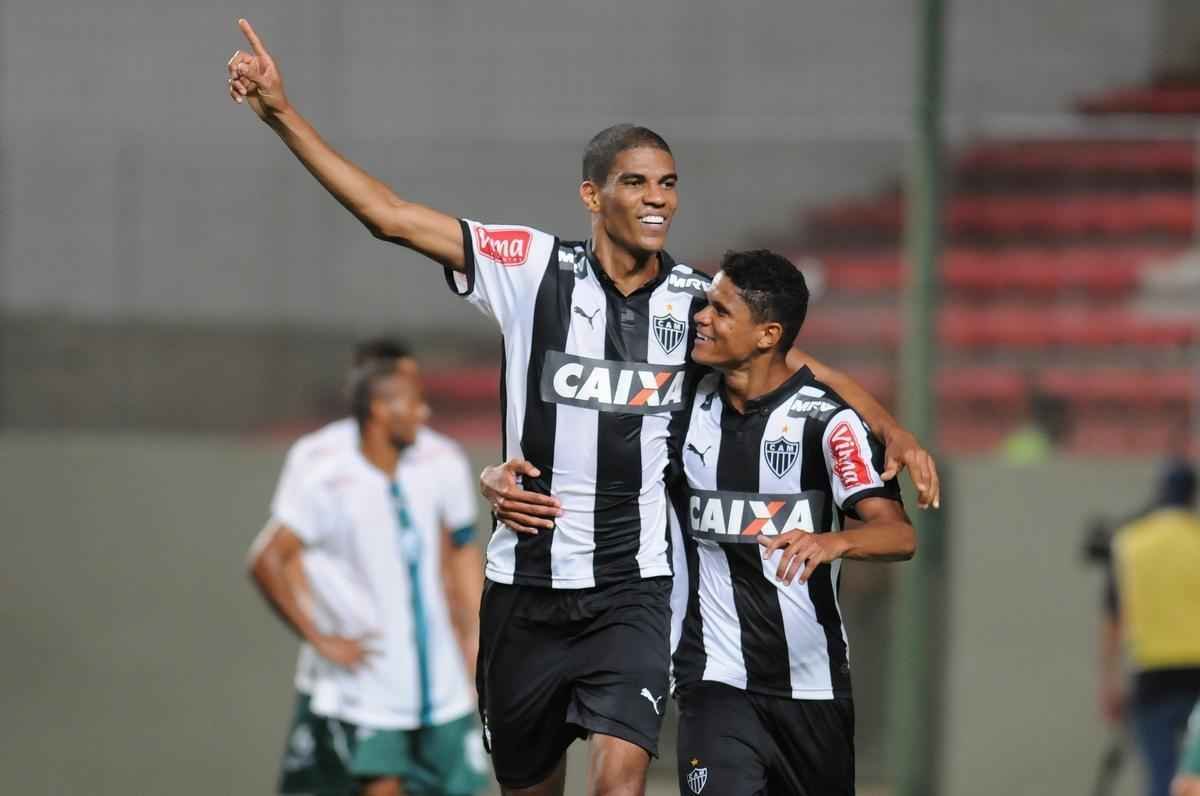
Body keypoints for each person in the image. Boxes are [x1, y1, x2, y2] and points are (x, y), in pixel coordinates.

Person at [225, 21, 939, 795]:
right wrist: (281, 115)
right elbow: (391, 216)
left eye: (668, 182)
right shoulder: (530, 269)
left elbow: (799, 364)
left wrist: (893, 430)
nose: (658, 197)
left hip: (633, 592)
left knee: (619, 781)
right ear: (593, 195)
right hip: (524, 592)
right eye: (636, 182)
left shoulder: (696, 305)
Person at [666, 250, 914, 794]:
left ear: (766, 334)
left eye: (721, 311)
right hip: (713, 679)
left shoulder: (828, 423)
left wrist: (835, 541)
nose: (701, 318)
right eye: (705, 305)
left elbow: (898, 534)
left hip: (813, 688)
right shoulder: (682, 403)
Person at [248, 347, 489, 796]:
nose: (425, 411)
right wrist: (320, 636)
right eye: (413, 400)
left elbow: (457, 553)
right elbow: (270, 559)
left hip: (440, 678)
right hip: (368, 681)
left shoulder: (434, 463)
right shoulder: (326, 472)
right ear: (380, 408)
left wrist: (472, 635)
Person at [1099, 461, 1200, 796]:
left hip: (1152, 680)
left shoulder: (1129, 543)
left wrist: (1109, 682)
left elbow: (1113, 622)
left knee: (1161, 777)